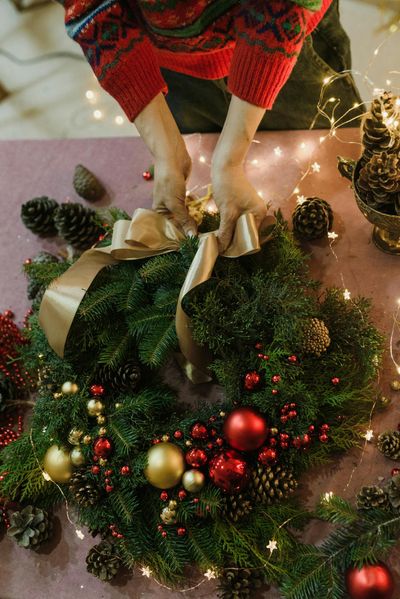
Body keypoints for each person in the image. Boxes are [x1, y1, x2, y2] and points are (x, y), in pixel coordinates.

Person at [58, 0, 362, 250]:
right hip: (168, 64)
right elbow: (89, 9)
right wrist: (167, 153)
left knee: (341, 180)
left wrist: (229, 161)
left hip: (291, 48)